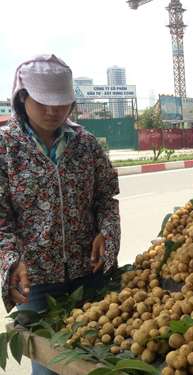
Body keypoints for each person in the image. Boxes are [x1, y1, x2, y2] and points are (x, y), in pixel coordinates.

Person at [0, 54, 120, 374]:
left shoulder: (86, 145)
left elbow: (106, 198)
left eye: (61, 102)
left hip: (89, 273)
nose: (53, 111)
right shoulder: (5, 148)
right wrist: (11, 260)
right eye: (43, 101)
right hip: (36, 283)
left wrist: (106, 233)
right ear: (22, 96)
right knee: (52, 366)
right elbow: (0, 220)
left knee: (99, 359)